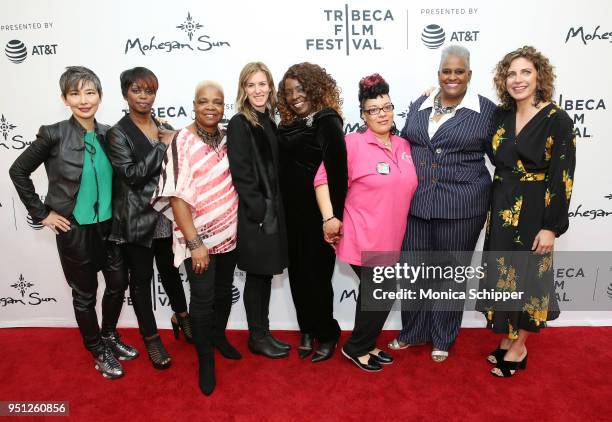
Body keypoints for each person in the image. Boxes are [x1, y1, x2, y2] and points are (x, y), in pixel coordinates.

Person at [9, 66, 137, 379]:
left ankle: (108, 335)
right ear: (65, 98)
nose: (83, 100)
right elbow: (18, 171)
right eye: (75, 93)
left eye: (89, 92)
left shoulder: (110, 133)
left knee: (119, 284)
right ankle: (96, 349)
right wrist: (42, 213)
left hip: (111, 227)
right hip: (75, 229)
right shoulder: (53, 133)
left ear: (100, 96)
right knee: (85, 294)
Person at [391, 45, 497, 362]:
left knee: (450, 274)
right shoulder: (419, 104)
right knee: (413, 271)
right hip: (417, 203)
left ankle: (442, 337)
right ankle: (413, 332)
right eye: (446, 71)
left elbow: (502, 158)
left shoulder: (487, 111)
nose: (452, 77)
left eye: (459, 71)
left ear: (469, 75)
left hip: (462, 205)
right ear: (439, 74)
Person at [477, 46, 576, 377]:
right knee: (505, 275)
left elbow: (563, 176)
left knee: (531, 279)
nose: (517, 80)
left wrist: (552, 227)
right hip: (502, 204)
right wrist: (433, 95)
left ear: (539, 76)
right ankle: (508, 338)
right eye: (511, 74)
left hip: (536, 208)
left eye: (525, 72)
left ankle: (519, 348)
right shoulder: (502, 116)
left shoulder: (557, 119)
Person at [314, 73, 418, 372]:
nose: (381, 114)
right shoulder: (352, 144)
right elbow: (321, 179)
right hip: (362, 236)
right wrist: (329, 218)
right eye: (374, 109)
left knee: (376, 294)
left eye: (386, 107)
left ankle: (367, 342)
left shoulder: (403, 145)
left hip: (391, 239)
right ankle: (356, 347)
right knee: (381, 292)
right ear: (363, 115)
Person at [152, 80, 240, 396]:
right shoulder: (183, 143)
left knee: (222, 293)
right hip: (198, 241)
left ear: (223, 106)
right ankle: (205, 361)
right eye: (204, 101)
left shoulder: (229, 139)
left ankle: (217, 338)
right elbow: (176, 197)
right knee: (202, 302)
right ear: (194, 104)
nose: (211, 107)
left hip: (229, 236)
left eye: (217, 102)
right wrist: (194, 244)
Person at [107, 67, 190, 370]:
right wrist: (161, 146)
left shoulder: (163, 125)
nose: (143, 97)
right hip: (136, 221)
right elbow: (131, 175)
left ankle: (183, 318)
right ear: (125, 93)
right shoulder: (118, 132)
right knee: (141, 282)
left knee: (171, 273)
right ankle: (152, 339)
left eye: (149, 91)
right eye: (136, 91)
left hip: (166, 217)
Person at [277, 62, 347, 362]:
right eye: (289, 91)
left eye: (301, 89)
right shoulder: (287, 125)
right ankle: (307, 328)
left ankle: (328, 333)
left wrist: (333, 218)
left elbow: (338, 173)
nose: (295, 96)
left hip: (319, 216)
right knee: (297, 276)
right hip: (289, 214)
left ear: (315, 88)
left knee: (318, 278)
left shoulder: (327, 122)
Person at [226, 62, 290, 358]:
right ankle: (257, 337)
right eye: (251, 85)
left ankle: (263, 333)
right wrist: (260, 210)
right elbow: (241, 172)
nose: (257, 90)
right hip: (258, 216)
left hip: (272, 213)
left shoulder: (269, 121)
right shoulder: (241, 123)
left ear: (270, 87)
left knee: (263, 276)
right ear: (243, 90)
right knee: (256, 275)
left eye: (262, 84)